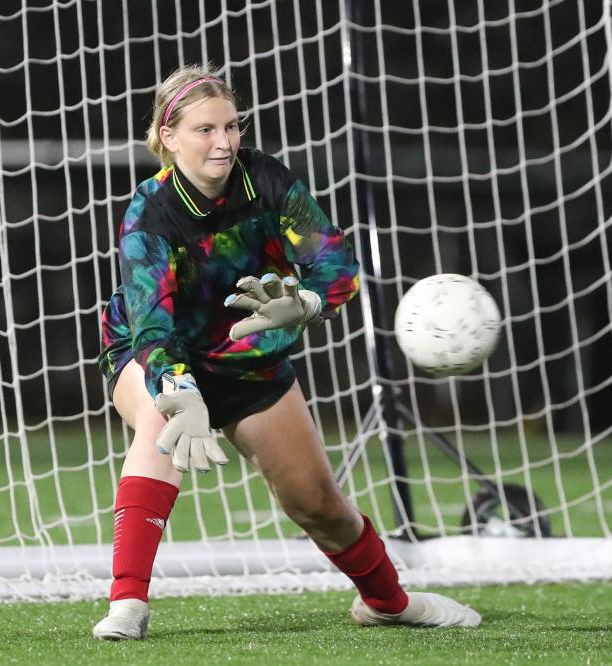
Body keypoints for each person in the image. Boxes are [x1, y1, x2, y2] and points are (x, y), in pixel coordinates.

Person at [92, 64, 481, 640]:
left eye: (232, 126)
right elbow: (154, 328)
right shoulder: (149, 214)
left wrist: (306, 304)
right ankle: (128, 602)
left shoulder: (269, 182)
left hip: (248, 356)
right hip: (155, 350)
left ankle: (389, 602)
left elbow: (336, 267)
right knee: (161, 422)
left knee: (317, 504)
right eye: (205, 130)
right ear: (168, 137)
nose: (224, 142)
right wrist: (180, 390)